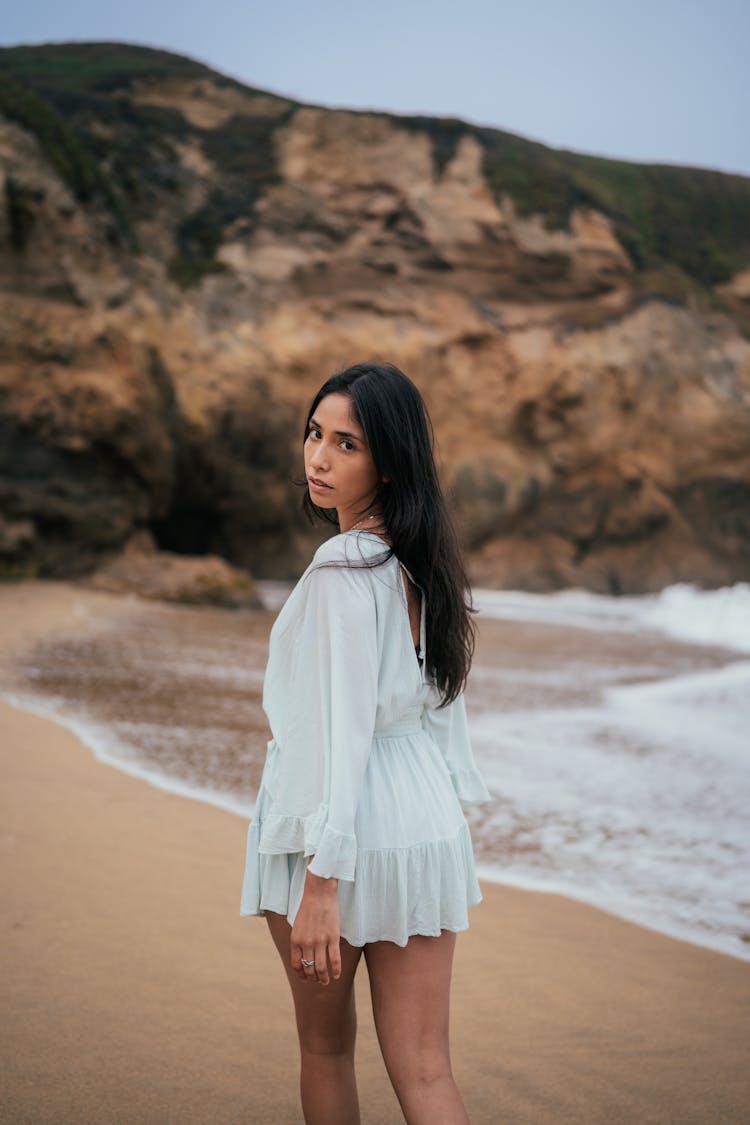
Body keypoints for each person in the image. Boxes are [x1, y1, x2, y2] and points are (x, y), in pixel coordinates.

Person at [241, 361, 490, 1125]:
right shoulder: (423, 561)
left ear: (388, 460)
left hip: (337, 825)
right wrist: (450, 809)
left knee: (326, 1051)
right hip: (421, 817)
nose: (318, 457)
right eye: (315, 433)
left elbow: (341, 730)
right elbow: (438, 707)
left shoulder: (344, 567)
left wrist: (323, 880)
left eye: (346, 443)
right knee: (426, 1069)